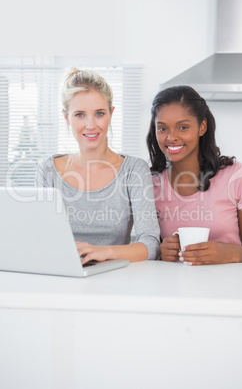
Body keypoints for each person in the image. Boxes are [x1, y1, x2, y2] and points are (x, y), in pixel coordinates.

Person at [35, 67, 160, 263]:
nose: (91, 125)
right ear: (66, 117)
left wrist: (105, 252)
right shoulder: (48, 170)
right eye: (80, 115)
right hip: (60, 278)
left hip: (115, 281)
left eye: (99, 113)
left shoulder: (134, 169)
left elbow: (151, 244)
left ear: (111, 113)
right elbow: (39, 238)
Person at [146, 85, 242, 265]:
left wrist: (232, 253)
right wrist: (161, 255)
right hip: (175, 290)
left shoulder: (240, 177)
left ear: (202, 127)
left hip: (230, 289)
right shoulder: (151, 186)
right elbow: (149, 258)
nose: (171, 137)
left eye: (183, 127)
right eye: (163, 128)